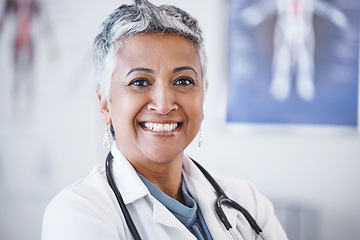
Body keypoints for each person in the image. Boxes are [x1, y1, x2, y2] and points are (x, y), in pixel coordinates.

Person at [41, 0, 288, 239]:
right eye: (139, 82)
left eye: (183, 81)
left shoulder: (247, 202)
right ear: (105, 104)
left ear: (203, 97)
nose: (164, 105)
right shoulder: (78, 213)